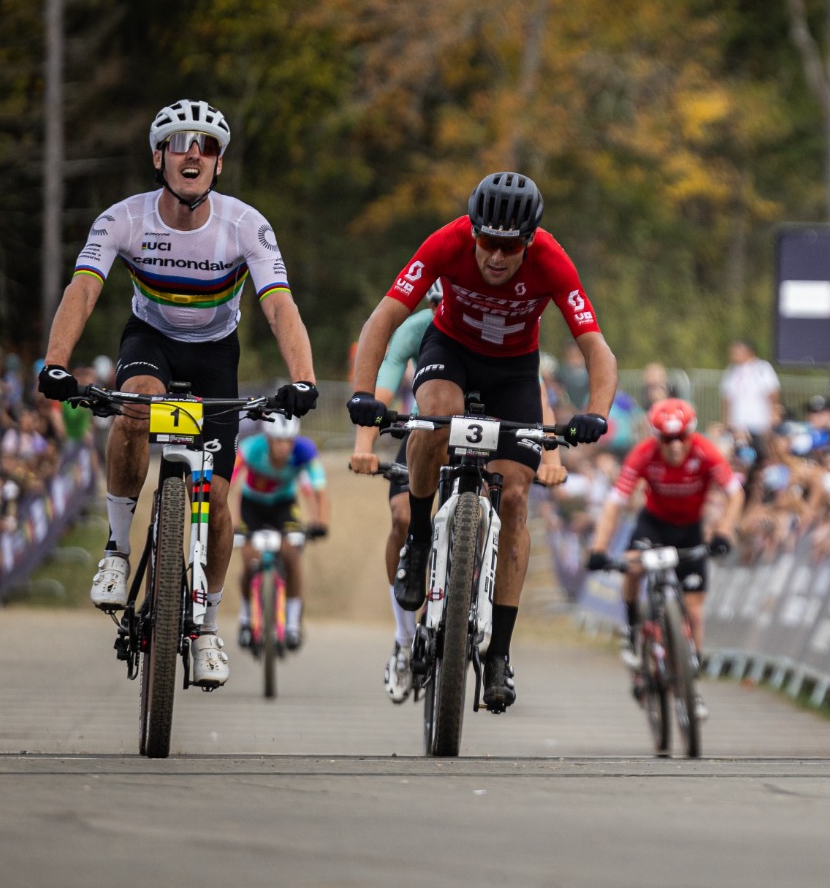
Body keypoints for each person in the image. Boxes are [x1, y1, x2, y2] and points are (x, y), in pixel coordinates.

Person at [36, 99, 319, 688]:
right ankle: (116, 550)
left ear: (219, 164)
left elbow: (279, 307)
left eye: (208, 146)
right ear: (158, 155)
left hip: (217, 352)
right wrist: (57, 363)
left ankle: (208, 628)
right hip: (152, 338)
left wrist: (303, 378)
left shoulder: (245, 225)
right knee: (134, 405)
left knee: (215, 500)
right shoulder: (124, 219)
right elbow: (83, 291)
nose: (194, 153)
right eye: (180, 142)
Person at [346, 171, 616, 712]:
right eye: (486, 242)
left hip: (514, 371)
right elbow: (383, 320)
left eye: (508, 246)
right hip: (452, 351)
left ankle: (500, 656)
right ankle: (420, 539)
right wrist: (360, 396)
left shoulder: (552, 260)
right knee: (436, 418)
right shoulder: (446, 242)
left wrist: (595, 415)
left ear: (530, 241)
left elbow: (597, 350)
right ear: (472, 231)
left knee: (515, 496)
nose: (495, 256)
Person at [348, 280, 566, 704]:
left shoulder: (500, 326)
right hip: (429, 430)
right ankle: (404, 634)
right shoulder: (419, 327)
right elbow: (385, 382)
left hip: (490, 428)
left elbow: (534, 391)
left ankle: (476, 592)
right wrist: (364, 446)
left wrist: (553, 459)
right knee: (402, 516)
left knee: (506, 503)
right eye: (440, 304)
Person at [584, 398, 742, 720]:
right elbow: (615, 502)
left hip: (691, 529)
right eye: (666, 439)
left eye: (680, 437)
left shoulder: (706, 452)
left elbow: (735, 493)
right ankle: (631, 626)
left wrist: (724, 531)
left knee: (695, 611)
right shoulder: (643, 454)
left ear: (692, 434)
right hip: (653, 524)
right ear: (656, 437)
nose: (673, 446)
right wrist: (599, 548)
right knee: (632, 562)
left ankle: (691, 686)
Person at [230, 414, 329, 650]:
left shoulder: (305, 451)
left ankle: (293, 623)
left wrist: (320, 523)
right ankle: (246, 617)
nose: (284, 447)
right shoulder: (250, 449)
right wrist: (232, 523)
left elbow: (319, 491)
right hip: (251, 505)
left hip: (283, 507)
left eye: (289, 441)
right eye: (277, 441)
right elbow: (230, 484)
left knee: (292, 555)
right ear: (267, 439)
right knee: (248, 557)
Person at [720, 339, 780, 452]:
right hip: (738, 422)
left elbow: (772, 392)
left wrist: (773, 414)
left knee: (761, 452)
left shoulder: (762, 368)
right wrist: (726, 421)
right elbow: (727, 398)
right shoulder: (731, 371)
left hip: (759, 422)